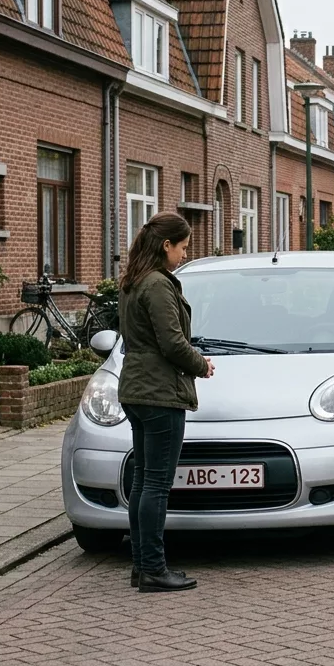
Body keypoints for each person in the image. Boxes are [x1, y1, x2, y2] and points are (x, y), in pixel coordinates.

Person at [117, 212, 214, 592]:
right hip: (159, 393)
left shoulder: (133, 281)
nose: (184, 255)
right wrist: (201, 365)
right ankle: (154, 569)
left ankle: (142, 566)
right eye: (183, 247)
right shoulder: (157, 284)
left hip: (136, 390)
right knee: (156, 483)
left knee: (143, 480)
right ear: (165, 245)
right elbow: (172, 343)